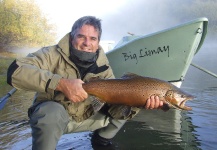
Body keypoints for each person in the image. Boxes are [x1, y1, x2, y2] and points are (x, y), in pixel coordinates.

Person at [7, 16, 166, 150]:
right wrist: (61, 84)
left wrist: (139, 103)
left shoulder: (103, 65)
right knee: (51, 113)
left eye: (92, 39)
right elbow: (15, 71)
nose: (86, 43)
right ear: (71, 37)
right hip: (54, 120)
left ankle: (101, 141)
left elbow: (118, 111)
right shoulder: (49, 54)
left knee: (127, 100)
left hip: (87, 116)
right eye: (81, 36)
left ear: (98, 42)